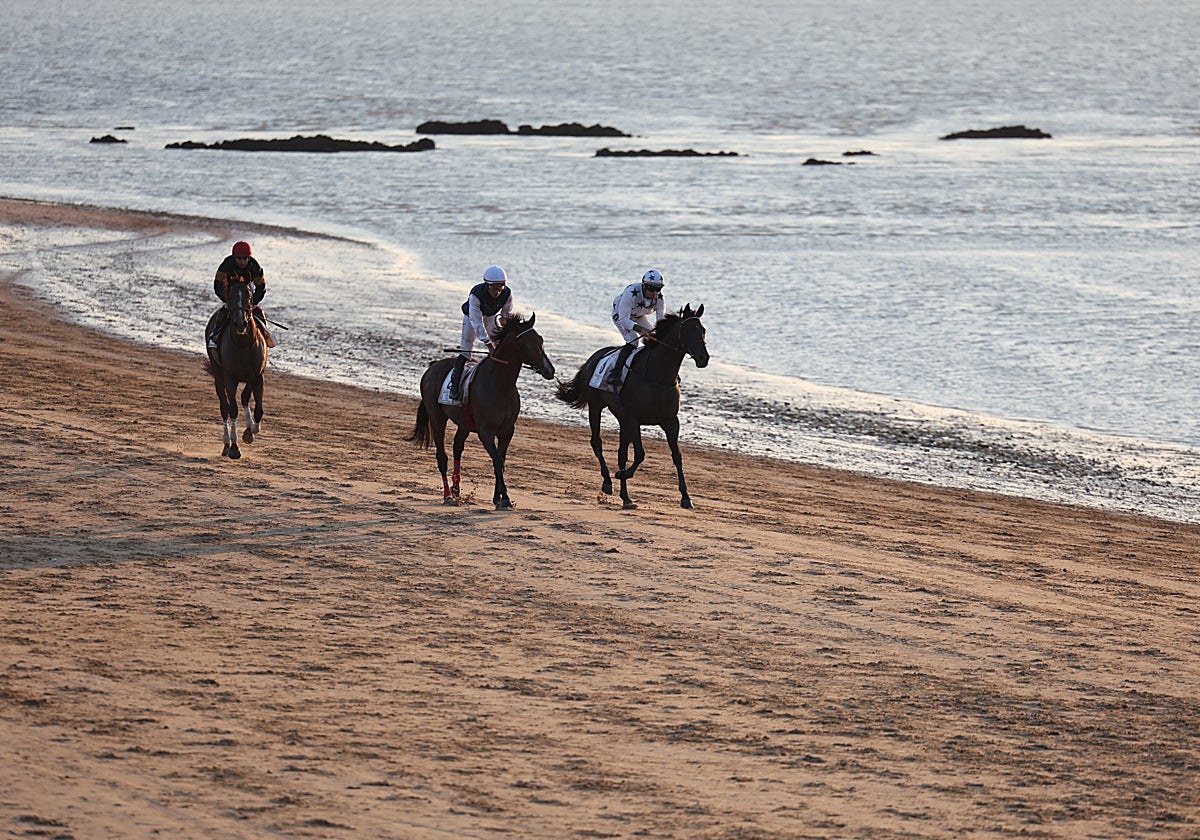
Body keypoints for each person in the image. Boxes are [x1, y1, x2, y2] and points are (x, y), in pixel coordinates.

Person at [450, 265, 514, 400]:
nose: (498, 291)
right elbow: (477, 322)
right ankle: (454, 387)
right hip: (471, 318)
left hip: (490, 317)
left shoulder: (507, 293)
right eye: (494, 287)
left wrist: (505, 325)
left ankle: (500, 381)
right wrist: (488, 345)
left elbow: (506, 314)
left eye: (501, 286)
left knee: (499, 347)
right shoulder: (476, 294)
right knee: (466, 350)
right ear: (487, 285)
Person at [208, 240, 274, 349]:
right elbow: (218, 285)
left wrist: (253, 302)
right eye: (239, 259)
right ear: (234, 258)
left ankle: (266, 335)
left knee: (258, 311)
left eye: (245, 258)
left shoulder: (255, 267)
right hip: (230, 288)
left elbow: (261, 288)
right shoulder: (226, 265)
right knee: (225, 310)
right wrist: (227, 300)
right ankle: (215, 335)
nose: (242, 261)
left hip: (249, 288)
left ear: (249, 258)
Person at [607, 268, 666, 385]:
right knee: (633, 341)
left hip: (639, 316)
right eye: (651, 289)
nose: (655, 293)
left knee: (654, 339)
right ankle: (614, 373)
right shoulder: (631, 293)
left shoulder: (660, 298)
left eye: (658, 289)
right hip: (621, 316)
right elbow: (624, 319)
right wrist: (640, 329)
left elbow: (661, 322)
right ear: (644, 286)